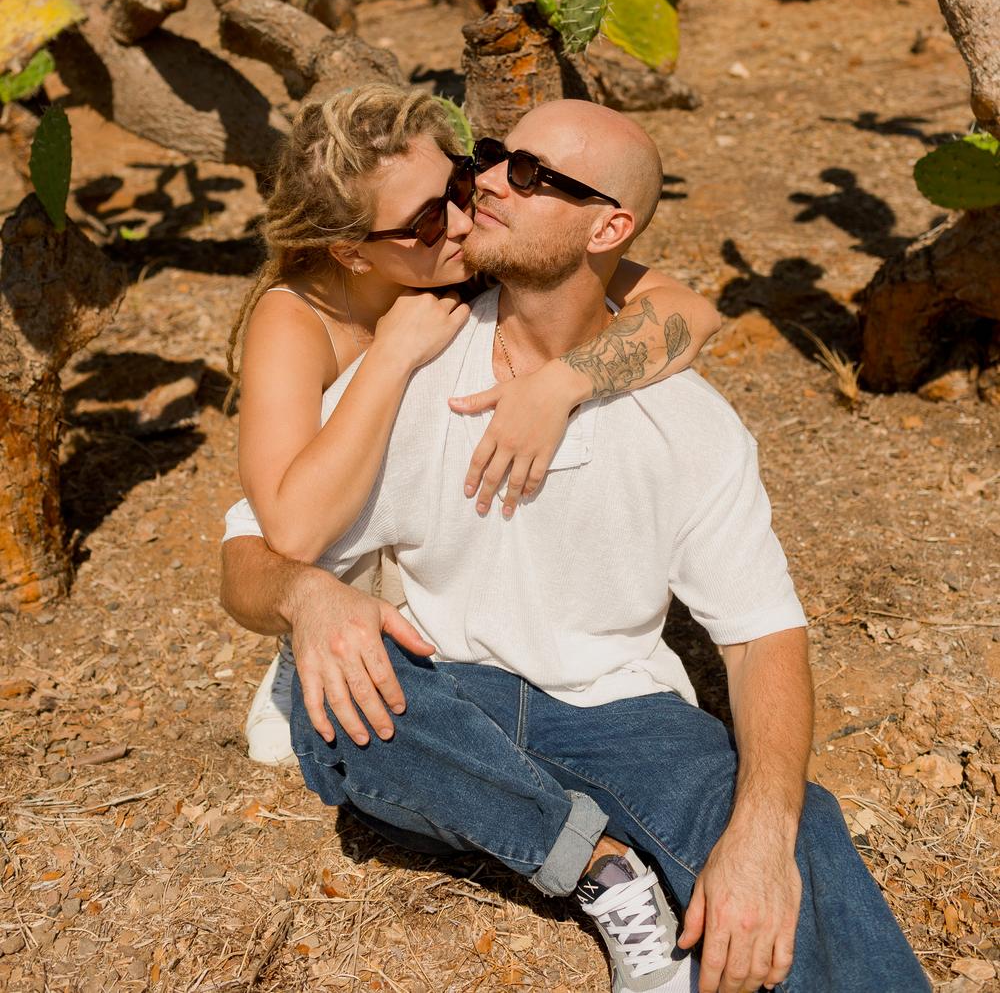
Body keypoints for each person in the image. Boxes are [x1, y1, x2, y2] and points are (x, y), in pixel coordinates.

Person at [221, 100, 929, 993]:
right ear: (359, 252)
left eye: (522, 174)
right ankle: (599, 863)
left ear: (609, 226)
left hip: (621, 715)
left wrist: (758, 833)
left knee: (794, 828)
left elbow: (761, 636)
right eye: (490, 164)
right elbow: (268, 539)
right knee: (343, 704)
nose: (480, 189)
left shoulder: (686, 420)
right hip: (447, 683)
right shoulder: (397, 360)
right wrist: (311, 599)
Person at [226, 85, 722, 765]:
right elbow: (292, 531)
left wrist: (561, 384)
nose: (463, 221)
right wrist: (392, 354)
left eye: (459, 185)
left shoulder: (481, 256)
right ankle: (316, 654)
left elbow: (687, 313)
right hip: (353, 552)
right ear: (353, 254)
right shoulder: (298, 319)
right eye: (427, 222)